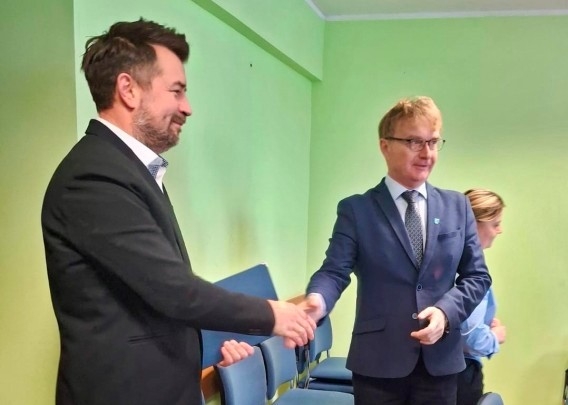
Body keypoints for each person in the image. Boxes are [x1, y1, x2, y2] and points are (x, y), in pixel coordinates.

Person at [41, 19, 315, 405]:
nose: (187, 107)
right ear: (128, 89)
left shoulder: (129, 169)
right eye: (177, 91)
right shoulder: (94, 176)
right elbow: (174, 291)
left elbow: (146, 299)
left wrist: (212, 348)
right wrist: (274, 315)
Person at [295, 96, 492, 405]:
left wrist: (445, 312)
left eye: (433, 142)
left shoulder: (457, 206)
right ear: (385, 146)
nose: (426, 153)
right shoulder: (357, 210)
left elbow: (477, 277)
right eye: (414, 141)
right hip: (378, 365)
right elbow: (334, 271)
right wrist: (317, 300)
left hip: (440, 364)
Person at [457, 189, 507, 405]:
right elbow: (471, 338)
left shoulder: (442, 262)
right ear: (474, 225)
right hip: (461, 375)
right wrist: (495, 337)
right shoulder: (472, 273)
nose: (499, 230)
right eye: (495, 224)